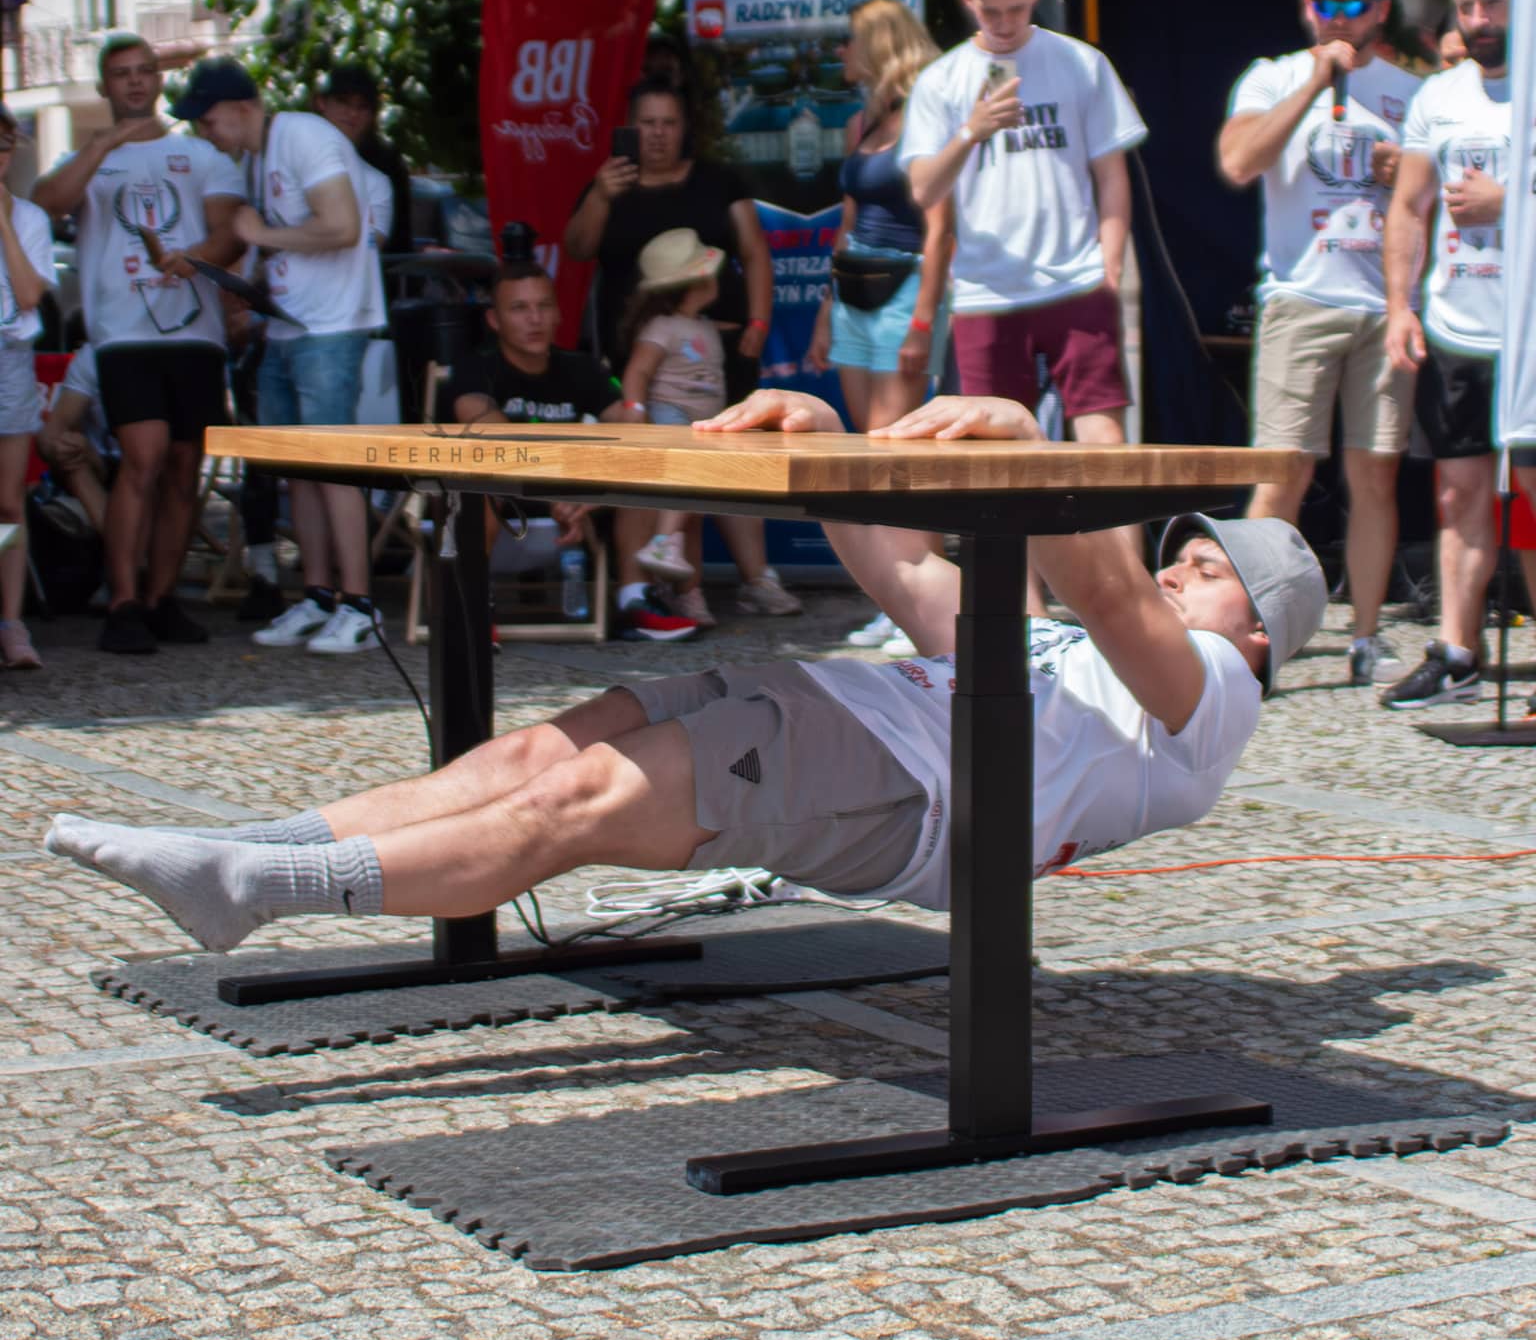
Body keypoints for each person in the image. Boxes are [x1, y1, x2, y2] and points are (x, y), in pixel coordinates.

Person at [44, 388, 1326, 954]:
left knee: (573, 810)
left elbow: (1102, 581)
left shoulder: (1212, 707)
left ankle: (260, 887)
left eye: (1208, 566)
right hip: (843, 710)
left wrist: (1033, 446)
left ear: (1259, 632)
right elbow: (900, 574)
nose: (1176, 567)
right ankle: (240, 842)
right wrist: (827, 427)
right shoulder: (1069, 653)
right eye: (1183, 550)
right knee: (535, 753)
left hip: (904, 788)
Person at [900, 0, 1144, 610]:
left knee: (1103, 439)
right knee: (994, 463)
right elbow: (923, 189)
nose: (1006, 26)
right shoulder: (943, 80)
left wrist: (1111, 265)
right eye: (992, 12)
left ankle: (1128, 605)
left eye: (1017, 9)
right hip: (984, 290)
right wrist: (973, 129)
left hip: (1074, 279)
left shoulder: (1080, 64)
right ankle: (1024, 625)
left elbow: (1112, 176)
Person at [1217, 0, 1422, 688]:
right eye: (1323, 4)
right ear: (1306, 7)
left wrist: (1407, 175)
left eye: (1352, 6)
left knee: (1375, 475)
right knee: (1282, 472)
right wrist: (1312, 83)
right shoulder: (1271, 76)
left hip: (1380, 303)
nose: (1336, 18)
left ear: (1381, 11)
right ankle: (1246, 638)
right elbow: (1239, 162)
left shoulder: (1411, 90)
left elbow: (1437, 197)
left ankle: (1366, 635)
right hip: (1301, 299)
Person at [31, 35, 246, 655]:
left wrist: (191, 259)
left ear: (158, 79)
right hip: (122, 335)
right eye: (120, 74)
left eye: (144, 72)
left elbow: (229, 233)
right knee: (142, 459)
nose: (134, 83)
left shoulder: (199, 155)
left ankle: (161, 597)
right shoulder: (90, 156)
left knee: (183, 470)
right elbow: (46, 203)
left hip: (196, 336)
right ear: (104, 87)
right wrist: (102, 145)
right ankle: (122, 600)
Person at [563, 76, 801, 625]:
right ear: (630, 127)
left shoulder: (716, 180)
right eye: (647, 123)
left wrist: (760, 320)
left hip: (721, 345)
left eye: (669, 123)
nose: (659, 134)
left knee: (738, 462)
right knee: (661, 465)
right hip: (644, 357)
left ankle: (755, 579)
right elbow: (577, 249)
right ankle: (670, 588)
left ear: (684, 128)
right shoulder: (610, 183)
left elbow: (755, 252)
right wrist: (600, 194)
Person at [179, 56, 389, 656]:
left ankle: (360, 604)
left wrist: (261, 238)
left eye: (208, 118)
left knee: (331, 463)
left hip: (331, 326)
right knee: (296, 465)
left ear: (243, 108)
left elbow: (345, 225)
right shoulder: (261, 152)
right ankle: (319, 593)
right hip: (292, 325)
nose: (204, 131)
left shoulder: (301, 135)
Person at [1380, 0, 1536, 708]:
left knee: (1534, 498)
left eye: (1495, 3)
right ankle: (1458, 650)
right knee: (1458, 495)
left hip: (1531, 331)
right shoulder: (1438, 98)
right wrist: (1399, 308)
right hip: (1457, 327)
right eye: (1468, 5)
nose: (1480, 19)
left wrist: (1509, 207)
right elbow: (1408, 207)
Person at [808, 0, 952, 657]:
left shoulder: (929, 113)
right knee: (869, 456)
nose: (841, 53)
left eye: (850, 41)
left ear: (879, 44)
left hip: (904, 285)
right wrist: (823, 311)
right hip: (855, 288)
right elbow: (844, 223)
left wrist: (925, 316)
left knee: (900, 456)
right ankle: (890, 598)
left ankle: (919, 600)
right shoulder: (862, 121)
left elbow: (942, 225)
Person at [438, 256, 637, 611]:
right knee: (478, 482)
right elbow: (490, 432)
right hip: (507, 495)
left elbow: (634, 429)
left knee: (646, 470)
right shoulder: (475, 367)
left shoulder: (580, 367)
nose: (535, 319)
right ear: (494, 320)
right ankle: (471, 607)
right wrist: (554, 491)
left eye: (544, 306)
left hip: (572, 497)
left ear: (559, 314)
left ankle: (635, 600)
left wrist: (592, 490)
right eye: (519, 308)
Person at [622, 229, 728, 599]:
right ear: (693, 284)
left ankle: (685, 589)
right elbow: (638, 371)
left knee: (693, 506)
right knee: (683, 485)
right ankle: (662, 542)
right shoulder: (661, 327)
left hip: (703, 425)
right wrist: (635, 407)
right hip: (672, 415)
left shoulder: (702, 325)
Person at [0, 106, 56, 667]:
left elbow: (29, 295)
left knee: (8, 498)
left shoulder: (30, 220)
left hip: (10, 356)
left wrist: (2, 218)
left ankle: (12, 623)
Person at [313, 64, 414, 261]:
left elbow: (396, 239)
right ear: (322, 103)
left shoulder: (387, 164)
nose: (352, 114)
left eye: (362, 107)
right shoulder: (300, 149)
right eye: (344, 103)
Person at [36, 341, 116, 537]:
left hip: (151, 465)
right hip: (99, 464)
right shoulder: (94, 354)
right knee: (68, 453)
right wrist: (76, 448)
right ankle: (126, 550)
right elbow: (49, 437)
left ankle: (127, 552)